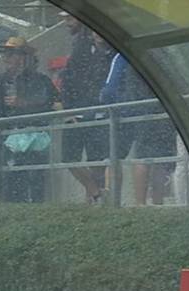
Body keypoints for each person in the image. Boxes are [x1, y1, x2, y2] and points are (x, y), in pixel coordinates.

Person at [100, 43, 177, 206]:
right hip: (163, 111)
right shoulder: (164, 54)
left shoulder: (126, 56)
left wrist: (122, 106)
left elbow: (108, 92)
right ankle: (157, 203)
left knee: (132, 157)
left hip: (135, 112)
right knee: (158, 159)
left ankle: (138, 204)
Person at [0, 36, 58, 203]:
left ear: (25, 57)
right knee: (11, 180)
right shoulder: (0, 81)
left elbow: (50, 104)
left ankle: (36, 211)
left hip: (36, 135)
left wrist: (24, 104)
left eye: (12, 54)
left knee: (36, 179)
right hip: (9, 137)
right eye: (6, 54)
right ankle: (15, 213)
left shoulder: (41, 80)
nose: (7, 58)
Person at [59, 13, 114, 204]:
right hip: (79, 109)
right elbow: (68, 79)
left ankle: (92, 199)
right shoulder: (81, 45)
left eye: (69, 19)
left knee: (97, 159)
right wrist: (68, 108)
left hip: (97, 110)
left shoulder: (109, 52)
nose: (67, 23)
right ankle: (95, 191)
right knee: (68, 157)